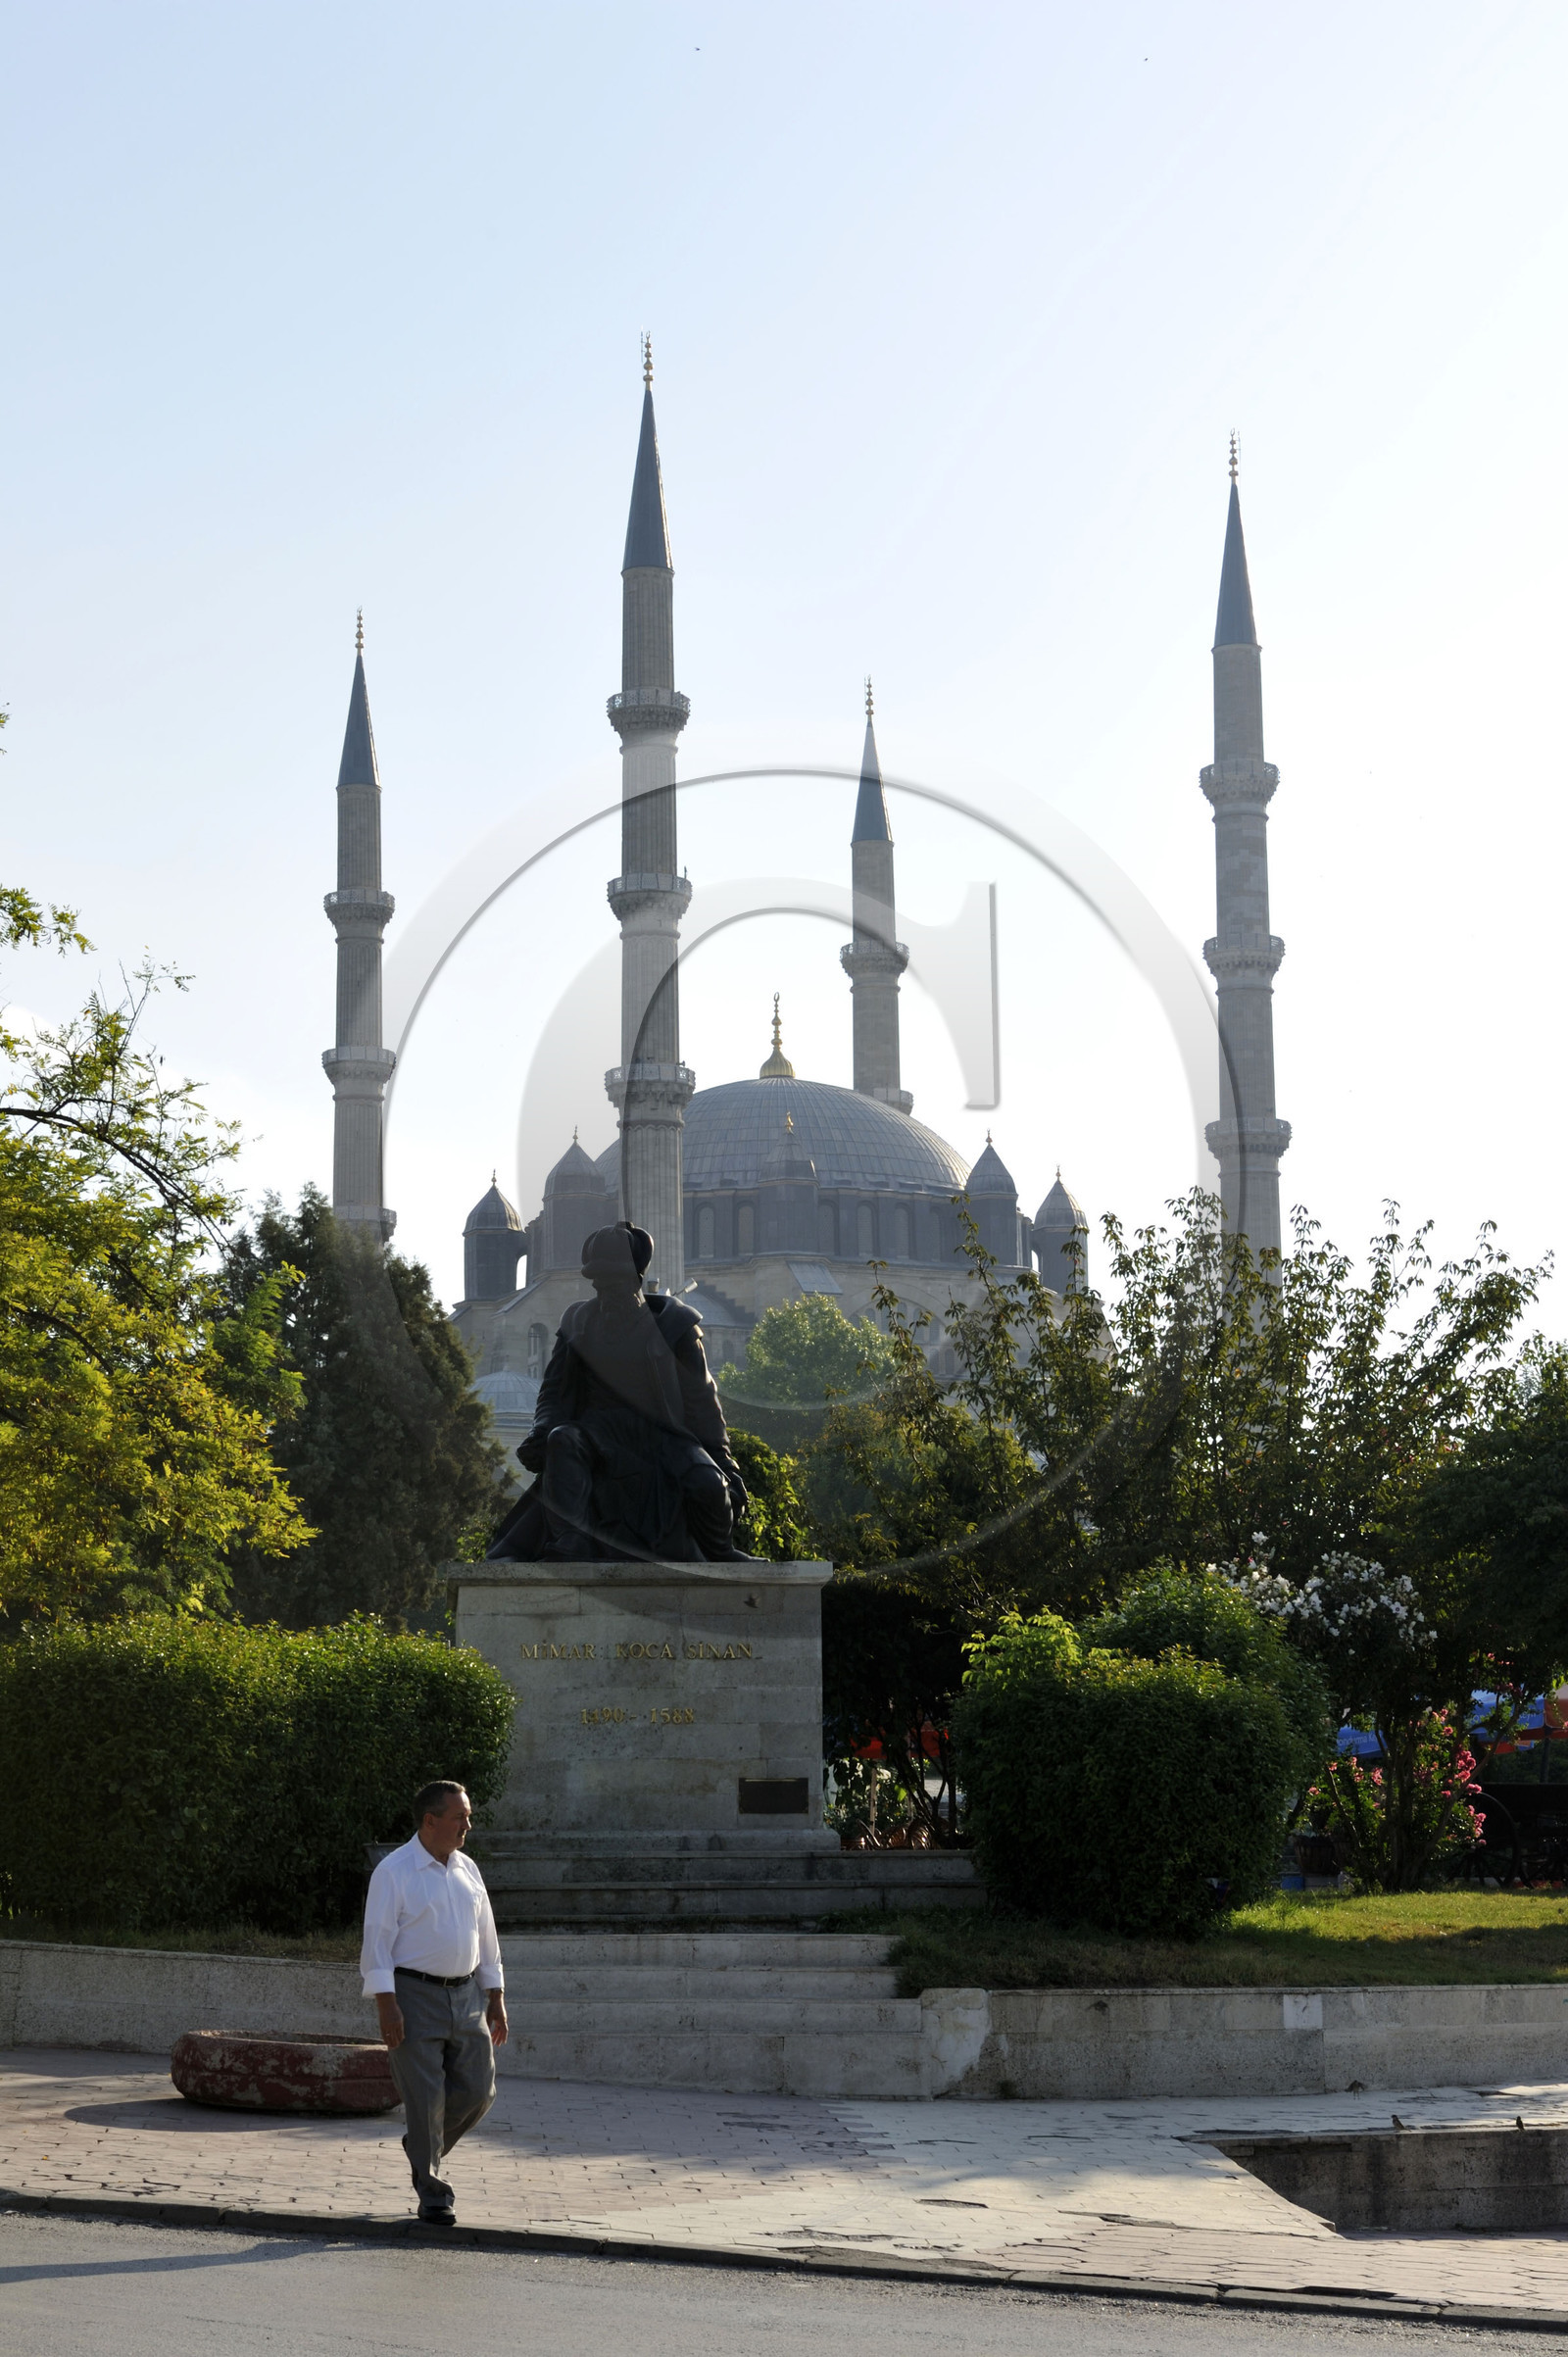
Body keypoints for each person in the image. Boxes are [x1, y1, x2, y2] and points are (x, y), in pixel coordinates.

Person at [486, 1220, 756, 1563]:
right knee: (562, 1440)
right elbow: (553, 1392)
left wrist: (725, 1464)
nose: (605, 1292)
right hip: (598, 1431)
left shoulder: (675, 1326)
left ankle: (719, 1550)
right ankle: (571, 1541)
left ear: (635, 1280)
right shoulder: (578, 1323)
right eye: (599, 1284)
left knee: (708, 1485)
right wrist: (541, 1430)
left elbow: (703, 1403)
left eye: (613, 1284)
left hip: (661, 1434)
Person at [360, 1780, 508, 2227]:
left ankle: (422, 2145)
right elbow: (377, 1945)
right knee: (424, 2099)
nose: (468, 1824)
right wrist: (387, 2005)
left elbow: (487, 1937)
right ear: (431, 1820)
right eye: (460, 1816)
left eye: (467, 1816)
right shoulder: (394, 1871)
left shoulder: (468, 1870)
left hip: (465, 1995)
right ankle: (433, 2191)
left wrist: (495, 1996)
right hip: (412, 1995)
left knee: (480, 2091)